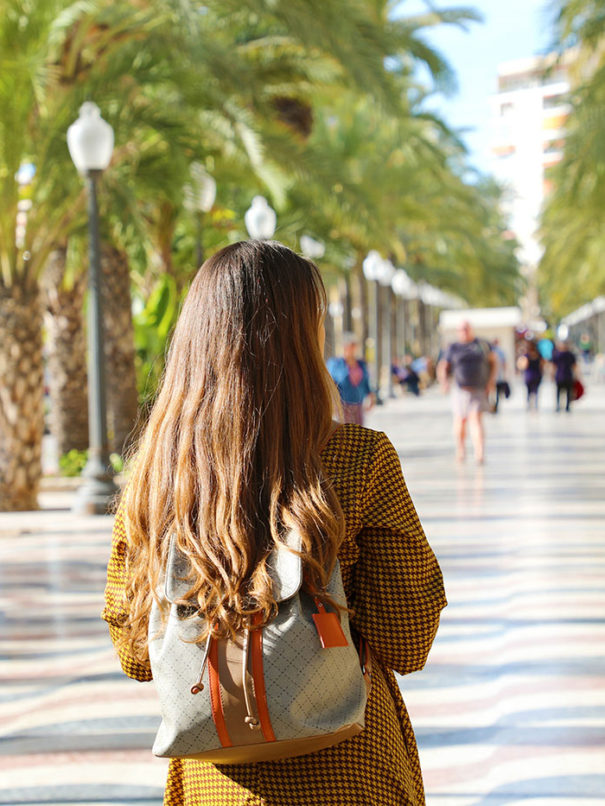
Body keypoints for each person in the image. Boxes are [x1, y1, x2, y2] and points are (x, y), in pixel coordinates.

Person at [102, 241, 447, 806]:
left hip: (217, 785)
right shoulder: (359, 459)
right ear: (302, 340)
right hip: (349, 771)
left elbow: (136, 653)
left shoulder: (155, 476)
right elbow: (407, 641)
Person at [437, 321, 497, 464]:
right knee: (460, 421)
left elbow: (494, 362)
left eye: (466, 329)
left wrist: (491, 381)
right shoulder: (453, 347)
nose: (464, 332)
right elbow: (443, 366)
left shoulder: (482, 345)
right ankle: (461, 450)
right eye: (461, 329)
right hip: (460, 389)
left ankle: (479, 452)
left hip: (478, 389)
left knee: (476, 419)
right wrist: (444, 382)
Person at [327, 331, 375, 425]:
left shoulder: (361, 364)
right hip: (342, 407)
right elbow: (331, 385)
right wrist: (332, 404)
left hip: (358, 406)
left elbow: (366, 383)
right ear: (344, 347)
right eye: (349, 346)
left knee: (359, 433)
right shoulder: (336, 364)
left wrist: (372, 398)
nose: (352, 349)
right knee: (345, 434)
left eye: (354, 346)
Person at [518, 341, 544, 410]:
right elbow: (542, 365)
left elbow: (523, 366)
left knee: (528, 391)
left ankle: (529, 405)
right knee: (536, 391)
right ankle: (535, 405)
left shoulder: (526, 355)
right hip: (537, 375)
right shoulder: (539, 355)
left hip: (529, 375)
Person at [552, 340, 577, 412]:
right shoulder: (559, 355)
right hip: (564, 376)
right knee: (562, 392)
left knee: (565, 392)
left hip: (564, 376)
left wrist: (552, 374)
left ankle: (566, 406)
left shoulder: (560, 354)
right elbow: (554, 366)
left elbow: (574, 366)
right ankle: (561, 406)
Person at [491, 338, 509, 413]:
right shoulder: (496, 352)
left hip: (496, 376)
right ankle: (494, 405)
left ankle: (495, 405)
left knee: (494, 392)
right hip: (495, 376)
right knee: (495, 392)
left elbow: (504, 363)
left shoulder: (496, 351)